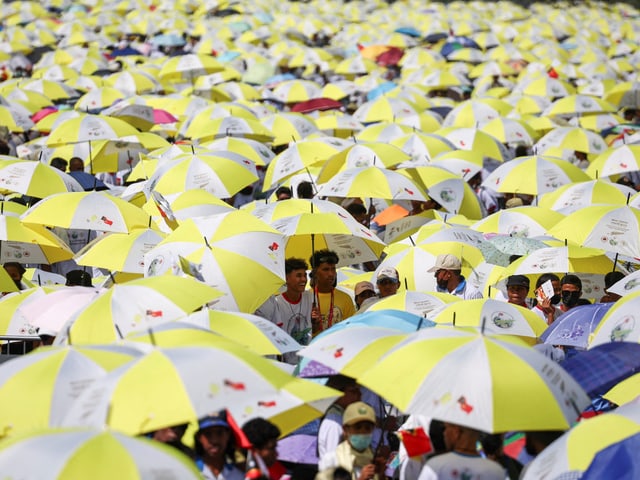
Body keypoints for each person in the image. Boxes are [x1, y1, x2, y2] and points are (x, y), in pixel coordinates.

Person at [255, 258, 313, 363]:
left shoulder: (310, 297)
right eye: (299, 275)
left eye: (305, 275)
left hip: (307, 360)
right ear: (286, 278)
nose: (304, 279)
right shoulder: (277, 302)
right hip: (286, 363)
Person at [317, 402, 386, 480]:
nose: (363, 432)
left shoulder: (373, 459)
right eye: (358, 427)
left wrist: (381, 474)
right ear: (345, 430)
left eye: (367, 428)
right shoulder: (332, 459)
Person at [417, 422, 505, 480]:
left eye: (445, 428)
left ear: (456, 432)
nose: (444, 433)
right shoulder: (496, 471)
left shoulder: (435, 466)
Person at [309, 250, 355, 337]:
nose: (331, 274)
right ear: (315, 272)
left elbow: (350, 330)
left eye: (333, 269)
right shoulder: (305, 298)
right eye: (325, 269)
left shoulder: (345, 298)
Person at [318, 375, 363, 461]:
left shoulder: (341, 418)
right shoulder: (334, 423)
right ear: (338, 394)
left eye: (359, 390)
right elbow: (332, 461)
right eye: (353, 391)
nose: (360, 395)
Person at [194, 412, 244, 480]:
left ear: (228, 435)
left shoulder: (239, 475)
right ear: (199, 437)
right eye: (208, 434)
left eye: (219, 433)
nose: (215, 440)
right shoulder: (187, 470)